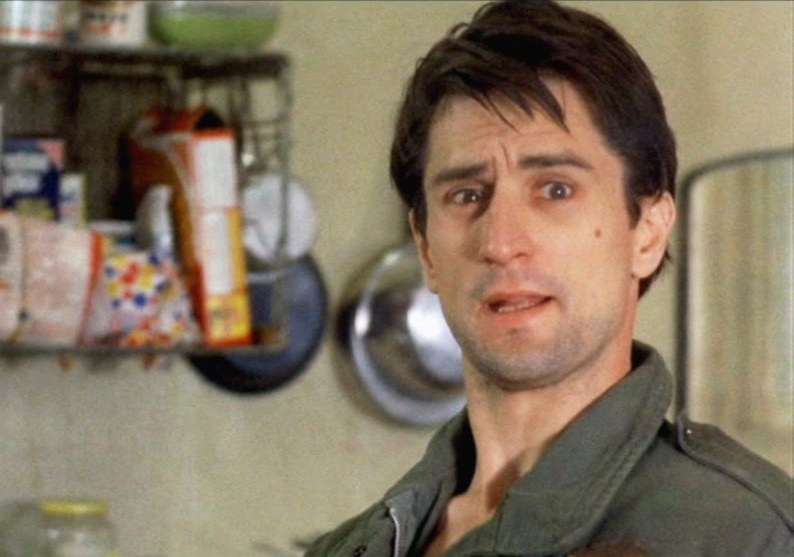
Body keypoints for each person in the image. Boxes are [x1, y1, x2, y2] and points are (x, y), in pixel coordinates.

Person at [305, 1, 793, 556]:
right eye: (466, 195)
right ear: (426, 249)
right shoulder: (349, 548)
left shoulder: (748, 536)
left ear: (647, 232)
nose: (500, 242)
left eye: (555, 190)